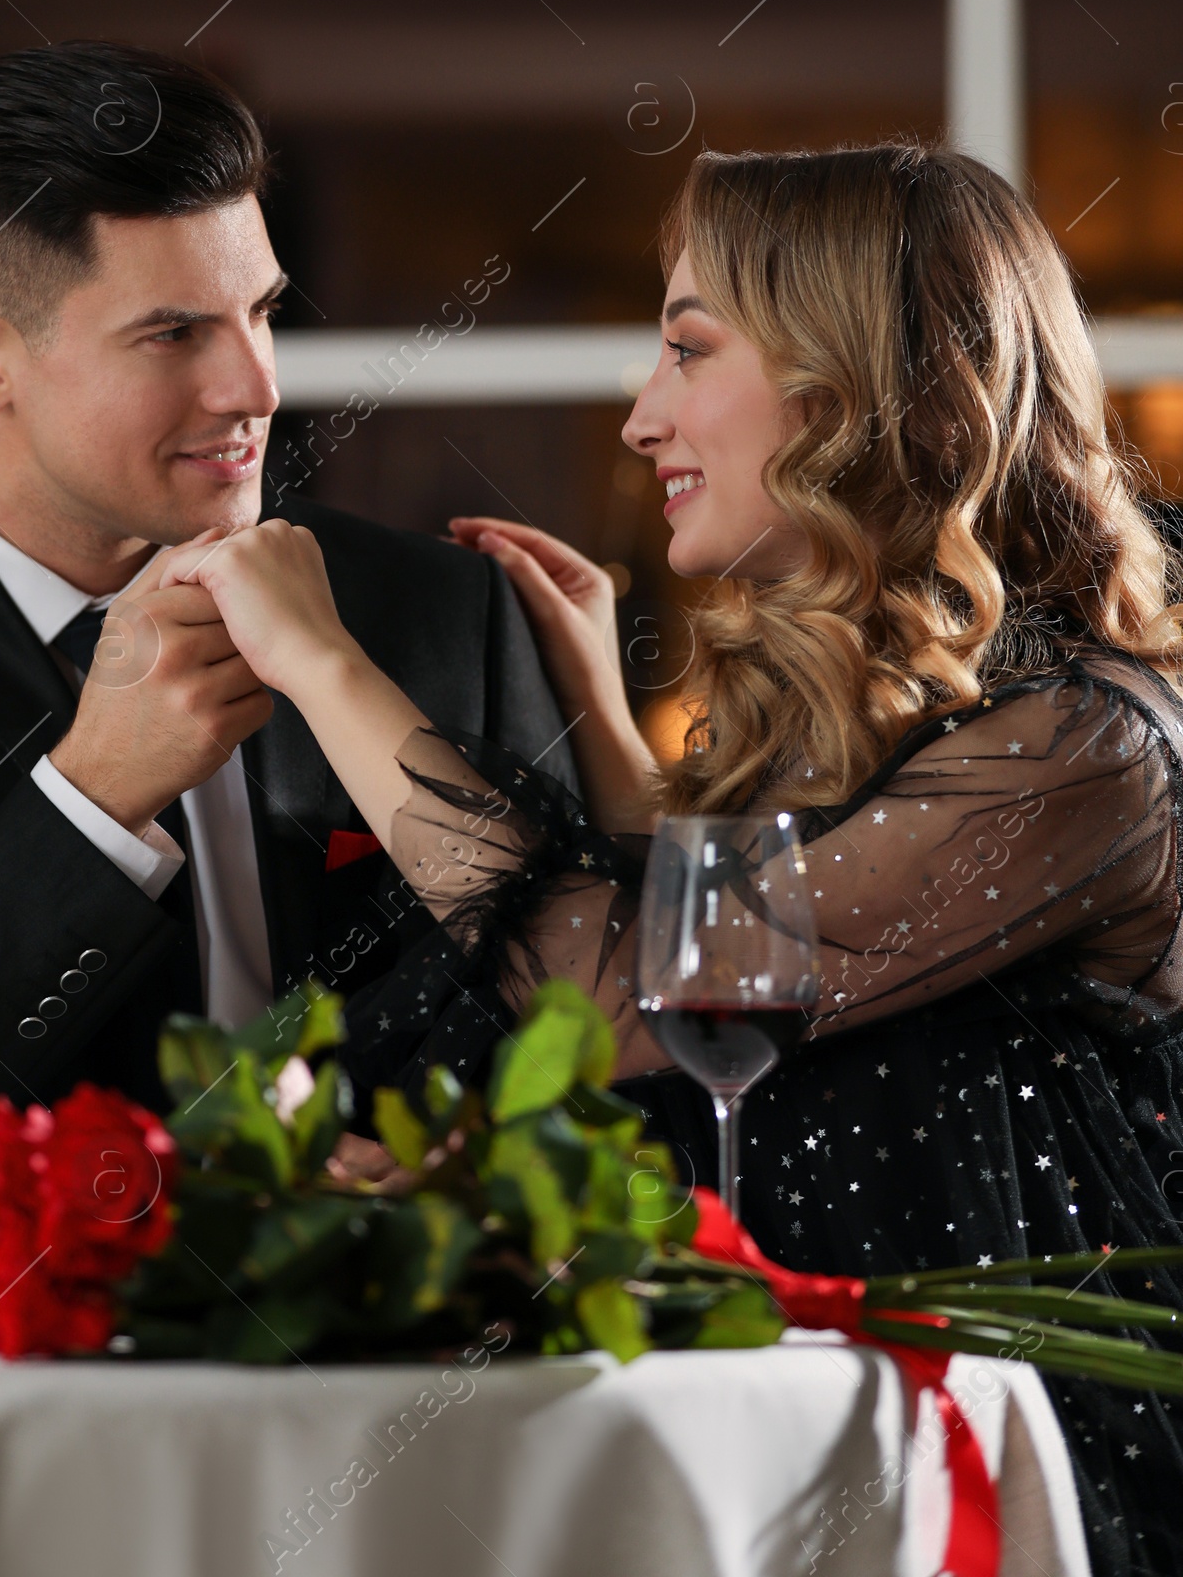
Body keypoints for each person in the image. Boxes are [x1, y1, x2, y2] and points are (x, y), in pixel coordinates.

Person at [160, 142, 1183, 1577]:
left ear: (849, 391)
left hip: (1018, 1485)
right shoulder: (909, 711)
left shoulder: (1085, 752)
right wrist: (598, 713)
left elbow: (628, 986)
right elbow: (755, 976)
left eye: (688, 349)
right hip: (812, 1445)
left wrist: (325, 666)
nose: (643, 419)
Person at [0, 43, 568, 1244]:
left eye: (262, 311)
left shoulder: (440, 612)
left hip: (402, 1379)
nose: (255, 386)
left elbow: (593, 1051)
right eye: (173, 333)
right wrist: (90, 799)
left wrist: (461, 1169)